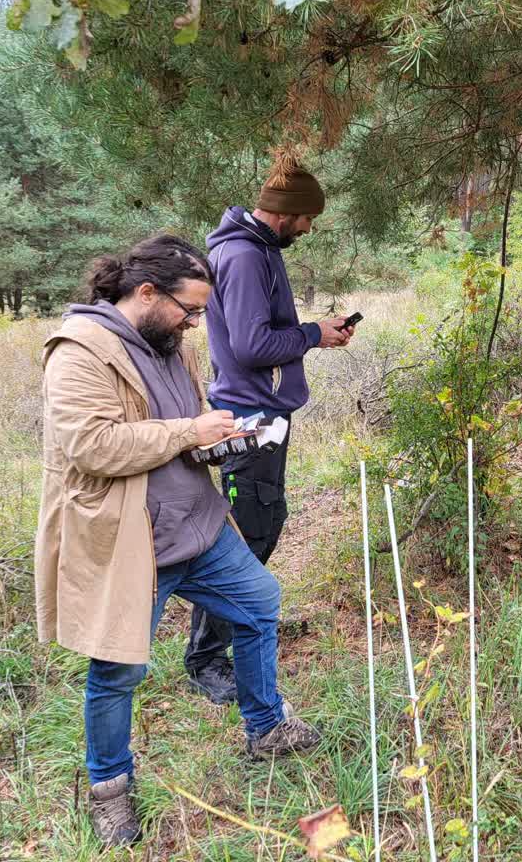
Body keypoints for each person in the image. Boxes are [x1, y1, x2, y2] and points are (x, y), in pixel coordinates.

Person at [34, 234, 320, 848]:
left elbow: (181, 432)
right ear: (145, 292)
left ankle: (266, 727)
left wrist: (221, 440)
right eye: (188, 310)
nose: (194, 324)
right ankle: (110, 789)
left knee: (260, 606)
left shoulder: (169, 344)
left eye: (199, 313)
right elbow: (93, 447)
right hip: (132, 542)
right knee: (117, 671)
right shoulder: (79, 352)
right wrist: (191, 428)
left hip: (201, 524)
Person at [184, 155, 357, 704]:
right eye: (306, 217)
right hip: (248, 416)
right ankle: (207, 661)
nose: (309, 227)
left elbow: (263, 333)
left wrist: (315, 332)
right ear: (286, 213)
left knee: (265, 522)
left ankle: (232, 634)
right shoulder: (240, 256)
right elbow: (251, 346)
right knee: (245, 537)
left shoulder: (259, 249)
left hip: (268, 413)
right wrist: (312, 335)